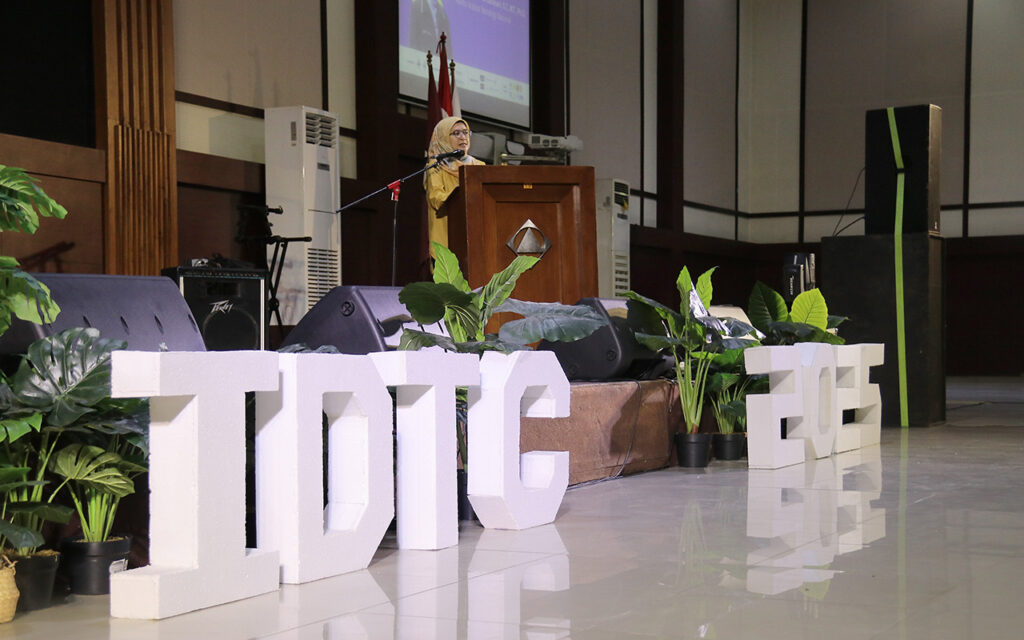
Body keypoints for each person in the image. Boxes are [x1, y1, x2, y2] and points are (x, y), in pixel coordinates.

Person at [424, 116, 482, 257]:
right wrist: (461, 197)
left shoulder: (479, 166)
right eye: (456, 133)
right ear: (443, 138)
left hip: (474, 237)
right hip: (446, 235)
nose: (463, 137)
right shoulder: (436, 166)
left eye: (465, 132)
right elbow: (436, 198)